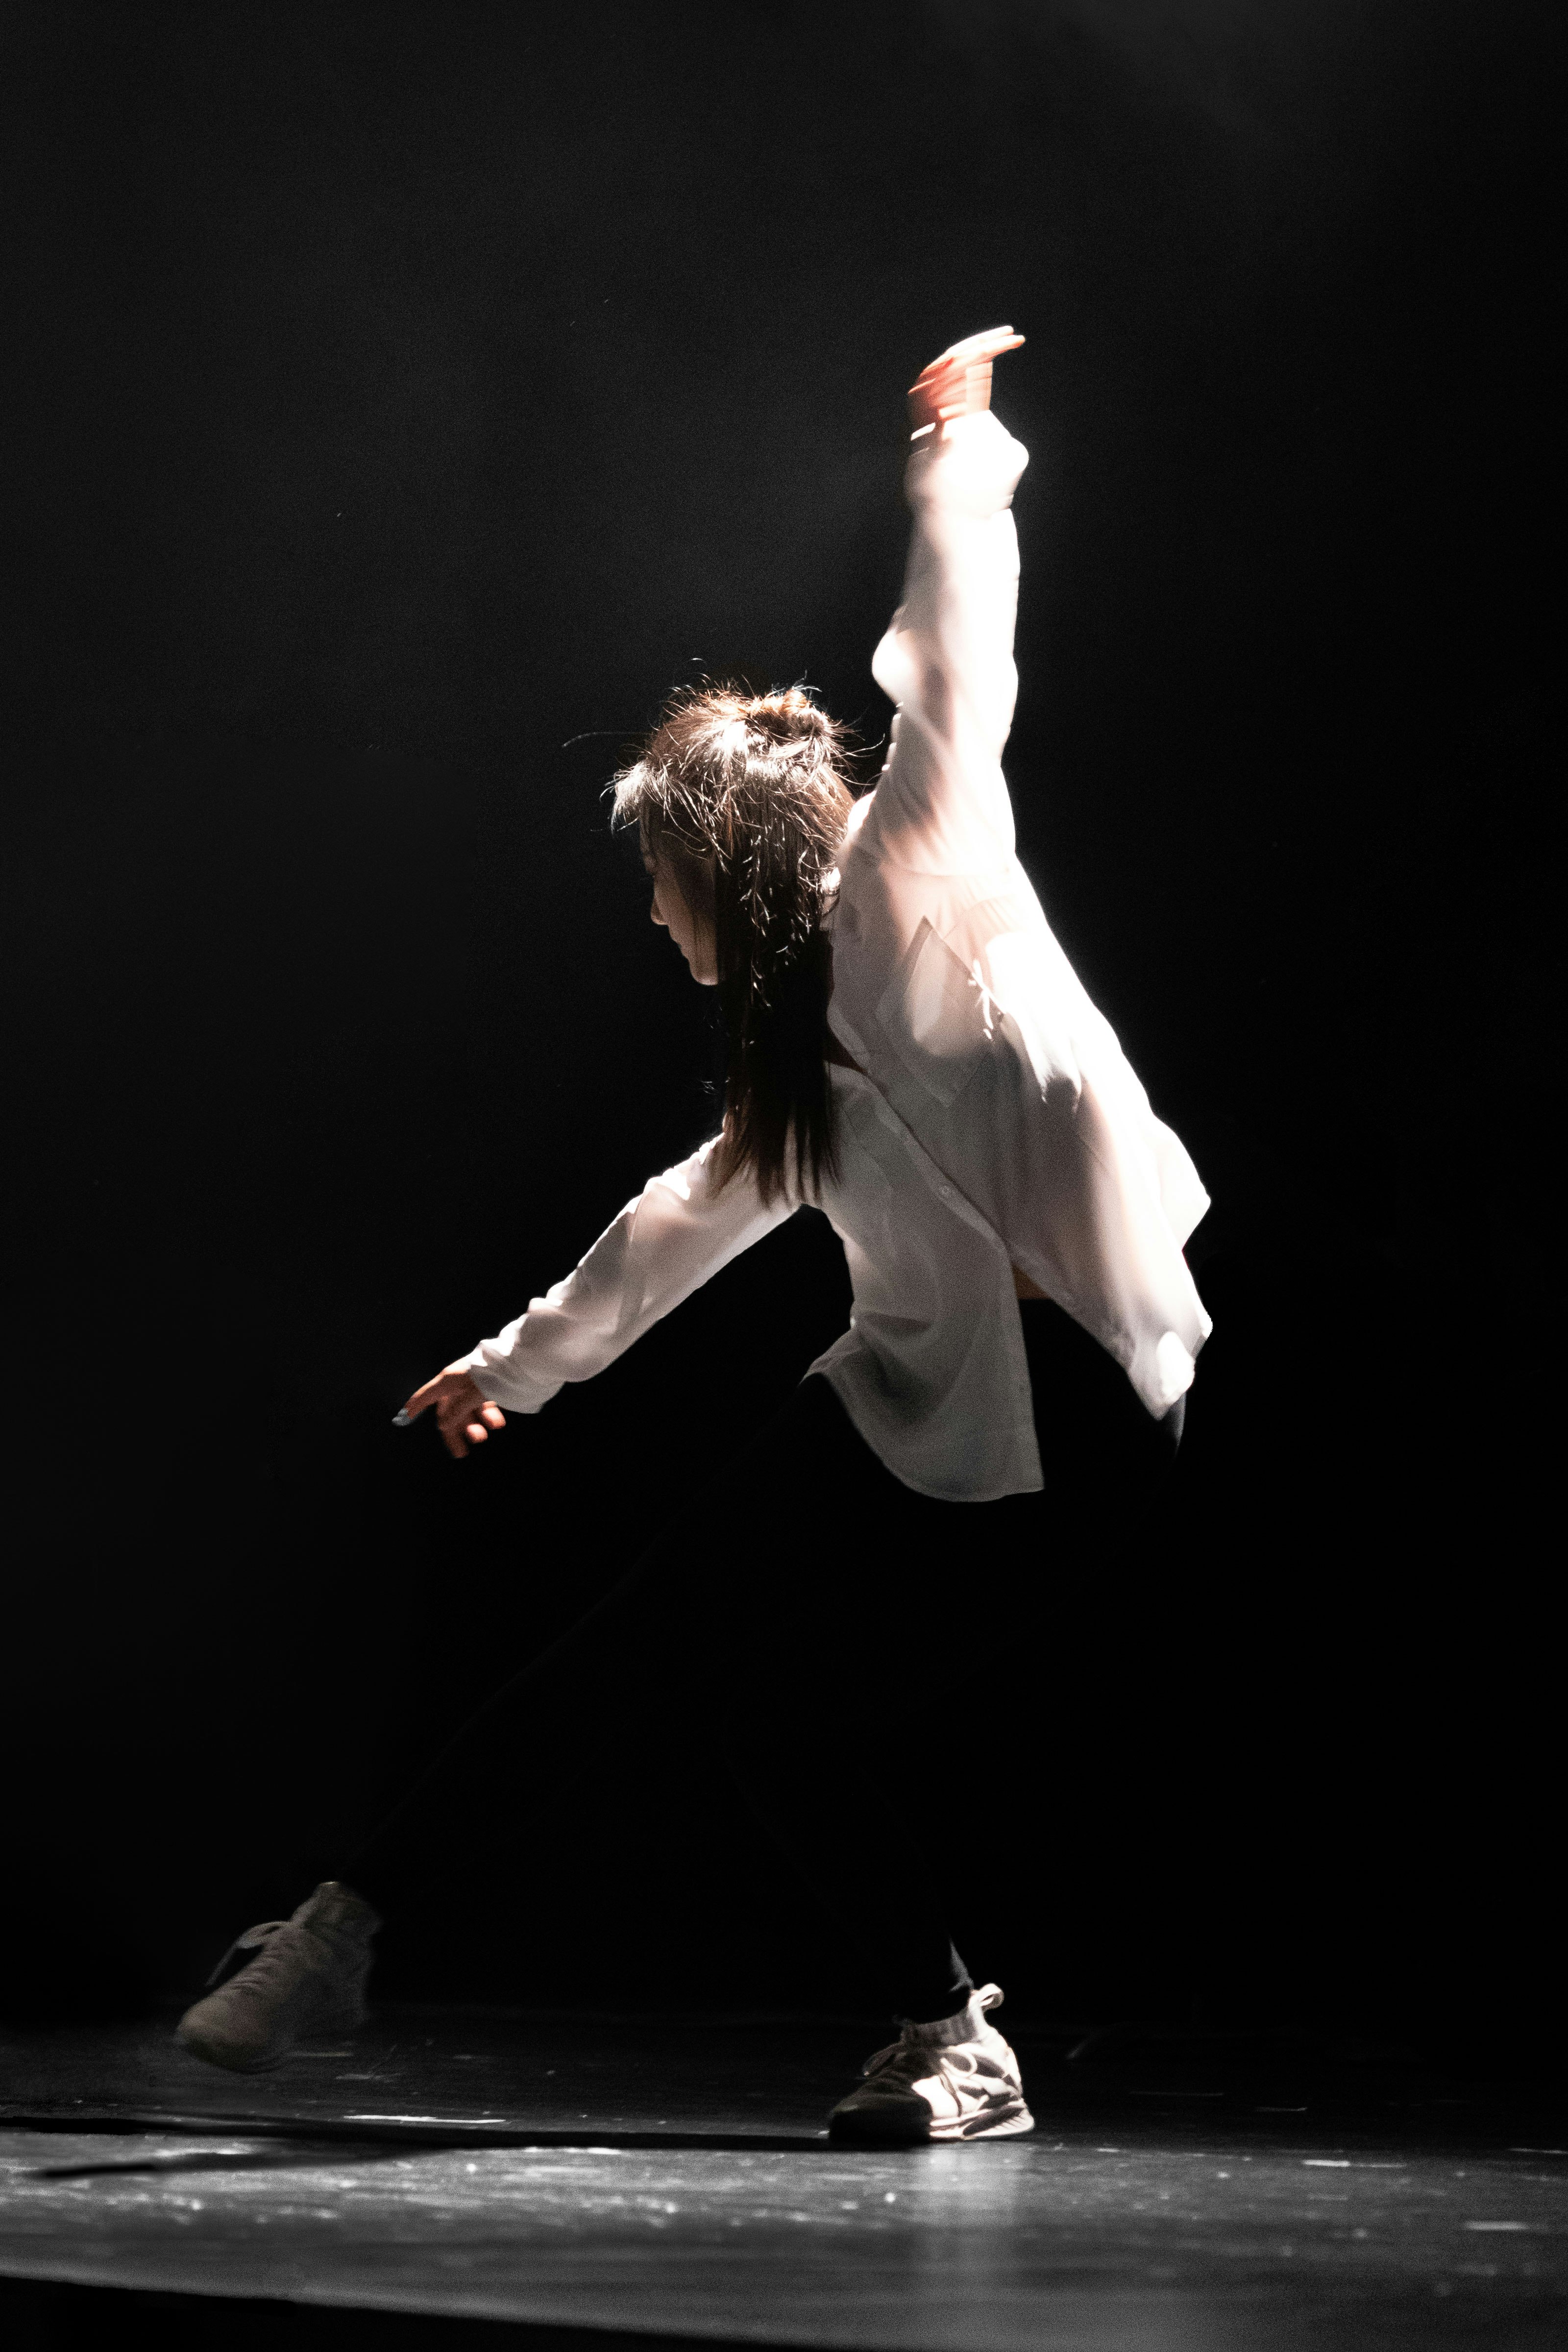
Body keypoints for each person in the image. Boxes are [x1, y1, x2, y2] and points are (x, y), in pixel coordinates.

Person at [175, 329, 1211, 2145]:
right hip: (916, 1408)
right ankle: (343, 1928)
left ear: (718, 864)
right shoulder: (789, 1074)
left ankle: (947, 2039)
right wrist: (512, 1366)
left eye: (660, 890)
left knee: (775, 1701)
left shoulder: (918, 872)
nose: (656, 926)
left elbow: (965, 652)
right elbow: (674, 1229)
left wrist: (955, 454)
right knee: (666, 1640)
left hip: (1091, 1414)